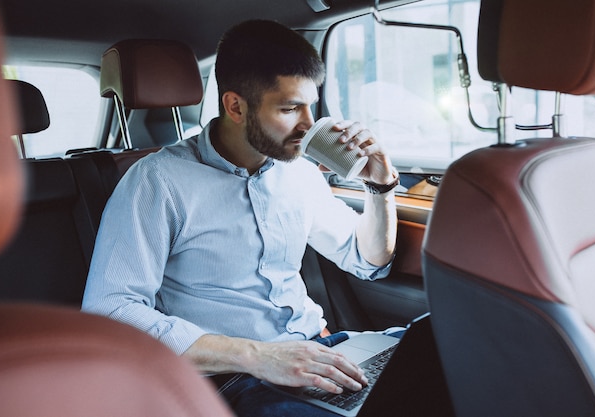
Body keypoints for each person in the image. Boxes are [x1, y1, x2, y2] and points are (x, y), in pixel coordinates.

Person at [82, 19, 400, 416]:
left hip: (320, 352)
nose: (308, 125)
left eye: (310, 106)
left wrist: (381, 187)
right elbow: (110, 311)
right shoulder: (157, 182)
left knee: (441, 359)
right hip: (231, 379)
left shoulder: (298, 169)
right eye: (289, 108)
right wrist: (257, 356)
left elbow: (366, 259)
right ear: (236, 106)